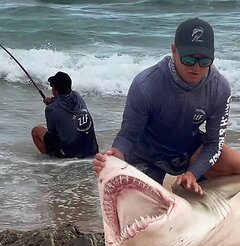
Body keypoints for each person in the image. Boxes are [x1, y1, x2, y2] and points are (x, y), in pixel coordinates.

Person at [93, 18, 240, 195]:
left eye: (204, 61)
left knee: (234, 163)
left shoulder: (220, 88)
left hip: (186, 150)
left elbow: (214, 143)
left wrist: (194, 173)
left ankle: (188, 182)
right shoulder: (145, 85)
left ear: (213, 55)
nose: (196, 67)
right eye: (188, 58)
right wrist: (118, 154)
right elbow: (128, 136)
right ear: (173, 51)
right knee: (136, 207)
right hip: (147, 154)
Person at [31, 71, 99, 158]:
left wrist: (52, 106)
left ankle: (49, 159)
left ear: (55, 90)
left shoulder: (51, 109)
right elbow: (64, 100)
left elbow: (53, 134)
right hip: (92, 150)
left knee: (36, 131)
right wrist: (53, 101)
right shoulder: (77, 96)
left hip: (70, 155)